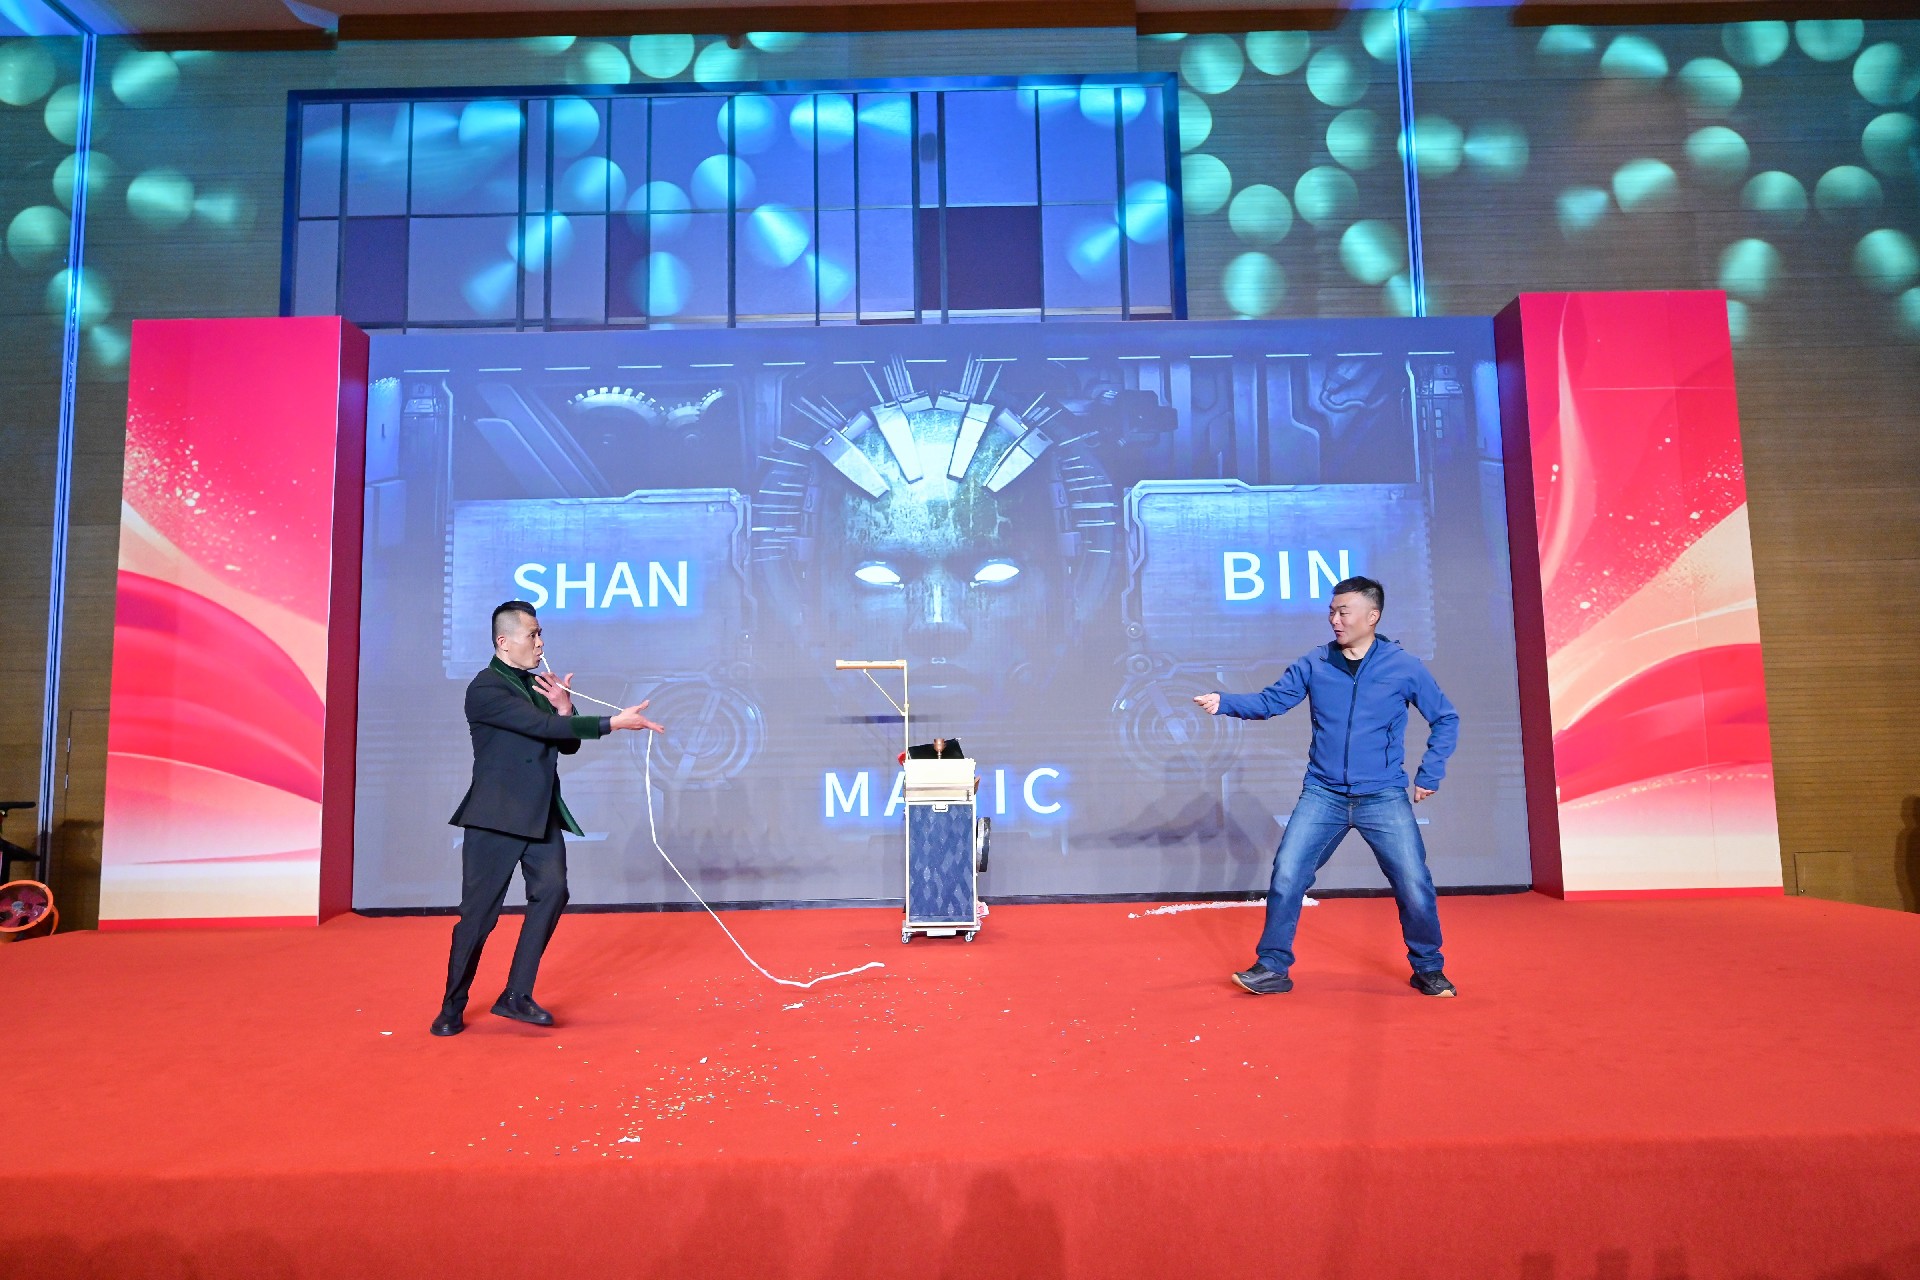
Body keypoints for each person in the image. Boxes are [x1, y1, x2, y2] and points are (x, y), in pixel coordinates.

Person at [1192, 576, 1461, 998]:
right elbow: (1271, 701)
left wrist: (1430, 773)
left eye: (1344, 612)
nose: (1335, 620)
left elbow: (1445, 718)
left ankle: (1428, 968)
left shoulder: (1403, 666)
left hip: (1383, 795)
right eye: (1332, 612)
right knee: (1288, 874)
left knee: (1414, 882)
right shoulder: (1315, 663)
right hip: (1324, 794)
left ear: (1372, 616)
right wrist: (1225, 702)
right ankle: (1272, 967)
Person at [432, 600, 664, 1037]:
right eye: (532, 635)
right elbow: (541, 730)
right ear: (504, 642)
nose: (540, 643)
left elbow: (565, 742)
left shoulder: (537, 685)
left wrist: (563, 706)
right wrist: (613, 722)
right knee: (479, 918)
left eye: (540, 634)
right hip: (496, 818)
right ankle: (452, 1005)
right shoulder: (485, 688)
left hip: (540, 817)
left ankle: (516, 995)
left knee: (553, 893)